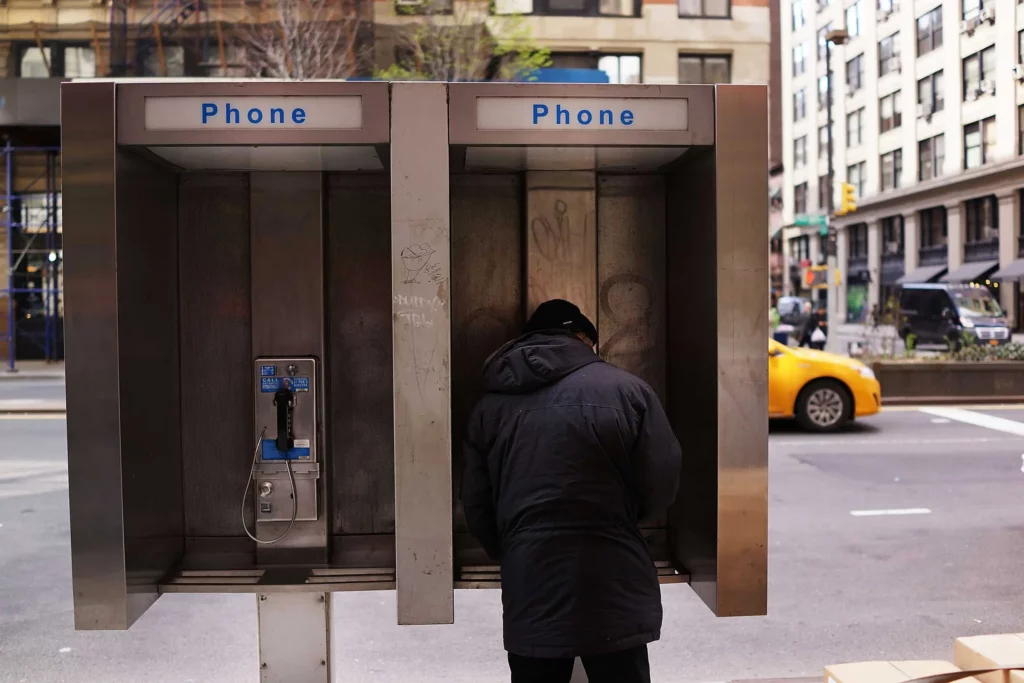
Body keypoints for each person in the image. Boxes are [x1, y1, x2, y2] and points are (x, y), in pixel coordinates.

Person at [461, 299, 683, 683]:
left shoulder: (489, 407)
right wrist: (624, 521)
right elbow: (662, 479)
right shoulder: (629, 391)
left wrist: (513, 545)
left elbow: (476, 500)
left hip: (530, 572)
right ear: (583, 339)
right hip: (612, 568)